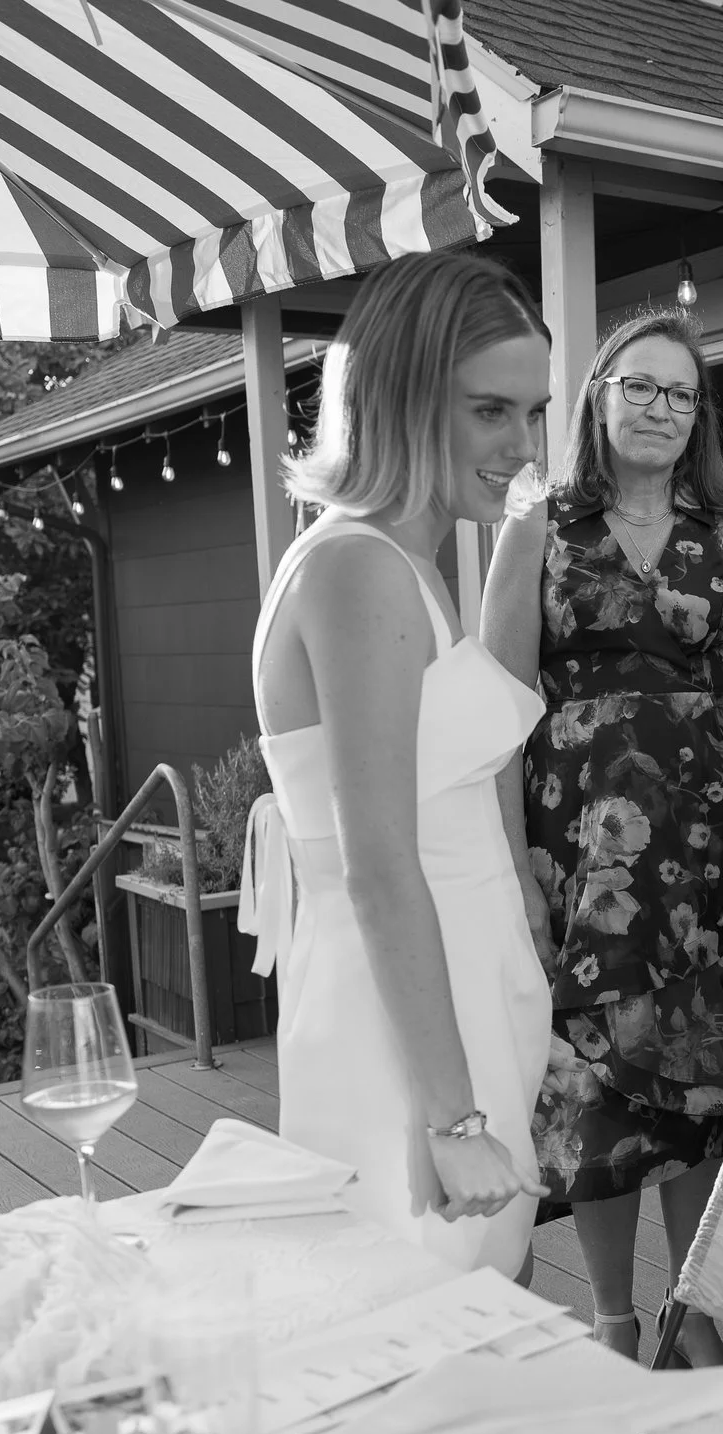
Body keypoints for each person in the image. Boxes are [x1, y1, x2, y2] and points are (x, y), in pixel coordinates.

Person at [484, 308, 723, 1366]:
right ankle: (613, 1322)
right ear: (597, 396)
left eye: (681, 393)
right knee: (597, 1091)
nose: (661, 409)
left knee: (705, 1095)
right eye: (640, 387)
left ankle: (694, 1314)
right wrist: (519, 885)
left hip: (710, 852)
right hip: (581, 858)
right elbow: (494, 714)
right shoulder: (536, 521)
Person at [247, 251, 550, 1275]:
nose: (521, 444)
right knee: (408, 1324)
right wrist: (452, 1119)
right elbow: (379, 865)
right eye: (490, 411)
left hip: (453, 999)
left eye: (531, 413)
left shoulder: (399, 563)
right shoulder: (357, 568)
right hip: (402, 1043)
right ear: (406, 398)